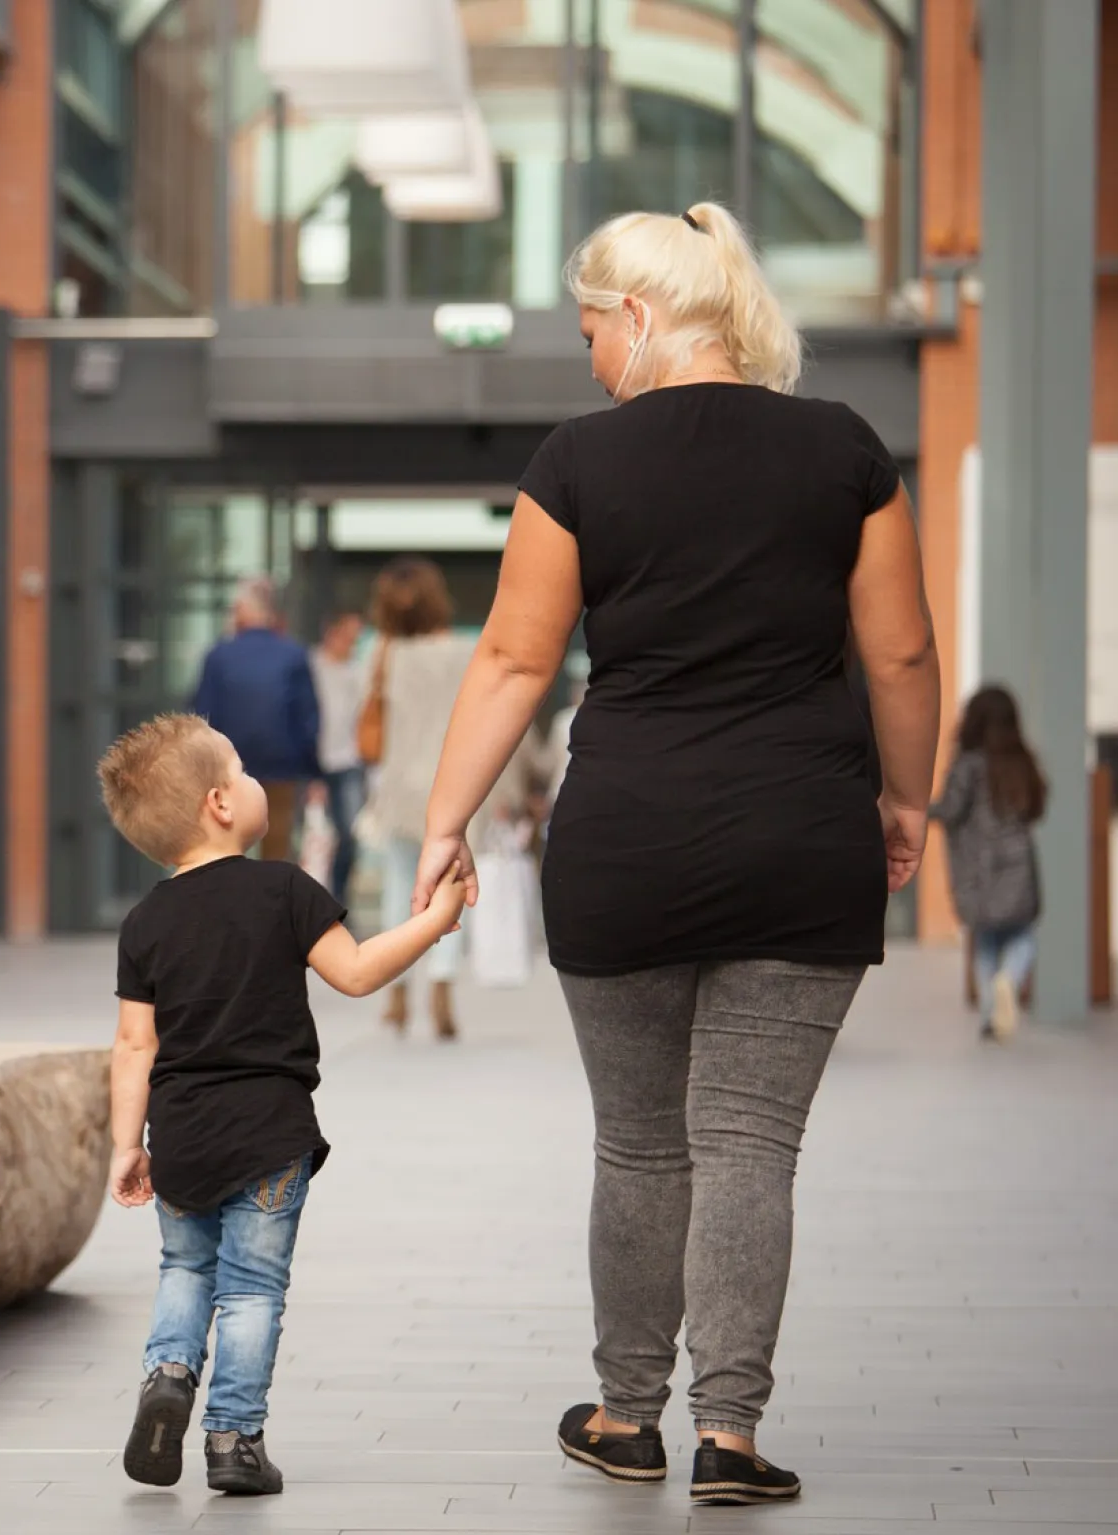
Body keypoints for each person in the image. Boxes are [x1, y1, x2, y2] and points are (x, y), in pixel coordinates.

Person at [412, 203, 939, 1506]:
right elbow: (903, 652)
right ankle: (731, 1433)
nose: (591, 358)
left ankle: (625, 1411)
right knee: (750, 1142)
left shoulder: (580, 461)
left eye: (592, 329)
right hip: (802, 834)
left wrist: (443, 819)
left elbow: (515, 659)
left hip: (627, 841)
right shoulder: (846, 450)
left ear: (639, 318)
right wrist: (908, 798)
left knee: (642, 1145)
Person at [98, 713, 466, 1495]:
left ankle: (167, 1371)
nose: (257, 779)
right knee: (252, 1289)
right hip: (268, 1134)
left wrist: (126, 1144)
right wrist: (435, 922)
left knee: (184, 1266)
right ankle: (232, 1438)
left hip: (183, 1137)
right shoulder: (284, 890)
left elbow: (135, 1045)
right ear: (219, 804)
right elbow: (359, 971)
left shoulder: (145, 922)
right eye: (242, 769)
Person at [358, 557, 496, 1039]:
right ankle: (441, 984)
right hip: (453, 785)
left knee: (400, 884)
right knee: (449, 888)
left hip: (398, 787)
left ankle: (396, 989)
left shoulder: (382, 653)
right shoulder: (465, 650)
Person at [932, 686, 1045, 1042]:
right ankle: (1009, 980)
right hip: (1018, 866)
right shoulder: (1021, 760)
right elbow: (1035, 808)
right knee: (1023, 936)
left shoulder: (967, 765)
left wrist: (916, 810)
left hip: (978, 871)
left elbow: (950, 810)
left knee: (984, 941)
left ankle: (988, 1017)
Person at [187, 576, 321, 861]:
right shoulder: (293, 655)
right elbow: (308, 719)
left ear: (240, 611)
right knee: (278, 845)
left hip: (227, 769)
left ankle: (233, 903)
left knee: (227, 845)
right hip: (282, 767)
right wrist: (312, 771)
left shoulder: (219, 656)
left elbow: (202, 714)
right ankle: (274, 903)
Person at [309, 610, 371, 905]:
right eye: (348, 635)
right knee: (311, 835)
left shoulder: (358, 673)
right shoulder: (310, 666)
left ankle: (337, 900)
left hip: (349, 763)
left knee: (348, 836)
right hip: (312, 763)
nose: (352, 642)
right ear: (330, 632)